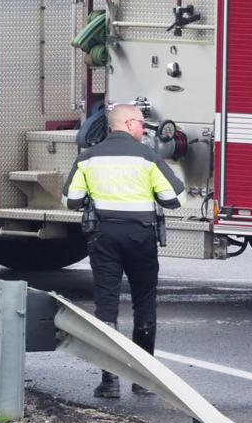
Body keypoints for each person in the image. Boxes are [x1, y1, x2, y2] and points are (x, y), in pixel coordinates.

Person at [63, 102, 184, 398]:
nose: (144, 130)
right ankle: (143, 379)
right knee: (144, 301)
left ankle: (110, 381)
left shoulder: (88, 157)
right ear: (128, 124)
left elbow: (72, 200)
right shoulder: (147, 157)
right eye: (142, 124)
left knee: (106, 304)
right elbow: (173, 197)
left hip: (103, 236)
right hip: (141, 236)